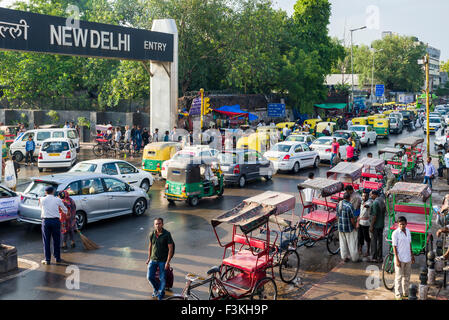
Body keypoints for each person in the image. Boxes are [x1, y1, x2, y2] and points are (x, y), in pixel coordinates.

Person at [146, 217, 174, 300]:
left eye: (159, 223)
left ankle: (160, 294)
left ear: (162, 224)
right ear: (154, 225)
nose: (158, 225)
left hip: (163, 261)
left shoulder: (167, 234)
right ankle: (157, 289)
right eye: (156, 224)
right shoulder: (152, 234)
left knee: (162, 278)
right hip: (153, 259)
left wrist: (168, 262)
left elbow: (170, 249)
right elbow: (150, 246)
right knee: (150, 277)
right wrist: (148, 258)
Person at [39, 186, 67, 265]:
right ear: (53, 192)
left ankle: (47, 259)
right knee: (56, 240)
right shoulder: (57, 199)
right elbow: (65, 210)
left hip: (46, 221)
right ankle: (57, 258)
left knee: (46, 241)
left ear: (45, 192)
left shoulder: (42, 199)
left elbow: (41, 208)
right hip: (55, 221)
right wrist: (61, 211)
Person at [392, 216, 414, 300]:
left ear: (406, 224)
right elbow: (394, 247)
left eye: (403, 224)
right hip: (400, 259)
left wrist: (412, 255)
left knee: (407, 277)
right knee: (398, 277)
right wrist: (397, 259)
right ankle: (398, 295)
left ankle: (406, 293)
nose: (402, 226)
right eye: (400, 224)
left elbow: (409, 244)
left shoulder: (408, 231)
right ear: (398, 224)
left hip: (407, 258)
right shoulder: (395, 233)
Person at [336, 192, 359, 262]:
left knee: (343, 243)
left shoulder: (339, 204)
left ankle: (344, 257)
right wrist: (355, 226)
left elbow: (337, 216)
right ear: (349, 198)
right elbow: (352, 219)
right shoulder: (349, 206)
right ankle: (354, 258)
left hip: (341, 228)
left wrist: (339, 223)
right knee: (352, 243)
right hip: (349, 228)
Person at [370, 190, 385, 263]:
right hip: (381, 224)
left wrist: (371, 226)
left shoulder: (375, 202)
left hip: (376, 225)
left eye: (371, 195)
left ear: (375, 195)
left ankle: (374, 257)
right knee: (380, 241)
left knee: (374, 241)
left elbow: (374, 216)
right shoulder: (382, 201)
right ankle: (380, 257)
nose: (370, 196)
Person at [357, 192, 372, 258]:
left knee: (367, 237)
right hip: (360, 222)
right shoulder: (362, 202)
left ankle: (368, 251)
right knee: (360, 236)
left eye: (365, 196)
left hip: (366, 223)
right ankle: (360, 248)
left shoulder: (369, 202)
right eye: (363, 196)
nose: (364, 197)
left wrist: (364, 204)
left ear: (368, 196)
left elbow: (367, 206)